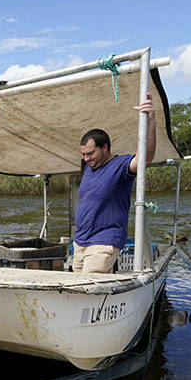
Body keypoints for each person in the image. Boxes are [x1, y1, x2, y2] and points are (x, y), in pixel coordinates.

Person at [72, 94, 157, 274]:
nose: (86, 159)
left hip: (105, 240)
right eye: (83, 155)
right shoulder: (88, 167)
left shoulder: (120, 166)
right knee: (79, 287)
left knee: (87, 285)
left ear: (105, 147)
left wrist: (151, 121)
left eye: (90, 153)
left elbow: (145, 159)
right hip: (80, 242)